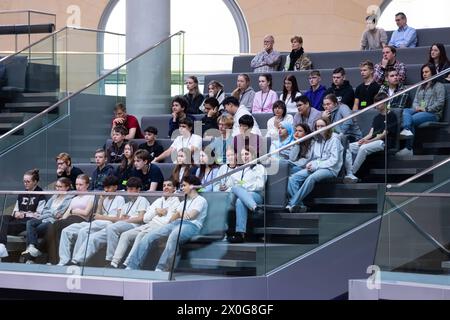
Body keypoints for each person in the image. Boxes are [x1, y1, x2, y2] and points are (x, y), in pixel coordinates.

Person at [126, 175, 208, 271]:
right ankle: (132, 265)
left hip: (192, 226)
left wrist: (179, 213)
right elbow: (173, 218)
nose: (182, 188)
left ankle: (161, 267)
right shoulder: (184, 201)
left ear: (192, 186)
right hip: (176, 223)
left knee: (174, 235)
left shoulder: (201, 200)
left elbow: (191, 216)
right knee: (149, 235)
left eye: (184, 185)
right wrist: (179, 215)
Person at [110, 180, 180, 268]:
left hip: (160, 227)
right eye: (164, 185)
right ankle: (114, 263)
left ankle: (128, 263)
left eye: (169, 185)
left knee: (141, 235)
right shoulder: (159, 200)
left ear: (174, 188)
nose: (166, 187)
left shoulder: (176, 202)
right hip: (149, 224)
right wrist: (156, 211)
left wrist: (158, 215)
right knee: (125, 235)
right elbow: (146, 218)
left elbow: (168, 221)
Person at [57, 175, 125, 266]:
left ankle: (75, 261)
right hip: (96, 222)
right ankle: (64, 260)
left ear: (115, 187)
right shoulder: (104, 198)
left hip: (108, 224)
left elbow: (118, 219)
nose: (106, 190)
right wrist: (100, 201)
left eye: (108, 187)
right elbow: (96, 215)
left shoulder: (120, 198)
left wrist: (101, 217)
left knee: (83, 231)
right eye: (105, 187)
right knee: (66, 231)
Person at [286, 118, 343, 213]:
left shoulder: (334, 138)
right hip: (318, 166)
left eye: (322, 126)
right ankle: (300, 206)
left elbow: (334, 160)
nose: (319, 128)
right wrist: (311, 164)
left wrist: (316, 165)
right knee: (292, 179)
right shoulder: (318, 139)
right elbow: (316, 158)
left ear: (328, 126)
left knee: (311, 178)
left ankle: (292, 203)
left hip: (330, 169)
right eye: (317, 126)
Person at [397, 63, 447, 157]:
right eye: (423, 72)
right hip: (418, 110)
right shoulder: (421, 86)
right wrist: (417, 108)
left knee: (409, 119)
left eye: (426, 72)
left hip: (432, 113)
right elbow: (415, 101)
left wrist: (425, 108)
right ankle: (407, 129)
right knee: (405, 111)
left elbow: (440, 103)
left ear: (432, 72)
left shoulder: (439, 85)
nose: (424, 74)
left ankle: (409, 148)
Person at [21, 177, 74, 263]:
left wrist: (50, 213)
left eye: (60, 187)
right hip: (44, 218)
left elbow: (60, 213)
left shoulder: (68, 199)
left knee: (31, 231)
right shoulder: (54, 196)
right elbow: (45, 209)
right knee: (30, 222)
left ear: (67, 187)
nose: (57, 189)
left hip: (52, 222)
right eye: (56, 186)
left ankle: (30, 256)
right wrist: (51, 213)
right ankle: (32, 247)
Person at [45, 174, 95, 264]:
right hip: (69, 219)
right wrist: (63, 218)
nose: (78, 187)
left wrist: (74, 211)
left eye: (81, 185)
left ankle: (40, 250)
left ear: (87, 185)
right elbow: (68, 212)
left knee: (54, 227)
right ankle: (55, 260)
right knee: (55, 228)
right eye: (76, 184)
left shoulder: (91, 196)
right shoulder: (74, 198)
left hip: (81, 220)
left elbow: (86, 213)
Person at [0, 169, 46, 259]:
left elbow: (39, 214)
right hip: (18, 218)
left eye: (28, 182)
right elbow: (15, 210)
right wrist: (16, 213)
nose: (25, 184)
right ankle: (2, 245)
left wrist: (24, 214)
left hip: (28, 221)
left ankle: (2, 245)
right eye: (24, 181)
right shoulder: (22, 193)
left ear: (35, 182)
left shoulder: (40, 194)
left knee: (4, 225)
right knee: (3, 218)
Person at [349, 93, 398, 176]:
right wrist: (363, 140)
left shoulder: (391, 116)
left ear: (385, 102)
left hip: (384, 142)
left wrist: (368, 142)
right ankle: (346, 170)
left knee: (363, 148)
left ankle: (352, 173)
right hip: (373, 141)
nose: (376, 105)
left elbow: (384, 134)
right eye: (375, 102)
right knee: (349, 147)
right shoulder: (377, 117)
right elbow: (371, 133)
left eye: (379, 102)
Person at [227, 146, 266, 243]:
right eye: (242, 155)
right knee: (237, 193)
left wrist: (244, 186)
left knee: (239, 194)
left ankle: (240, 233)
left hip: (256, 196)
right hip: (240, 197)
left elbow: (260, 186)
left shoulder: (259, 168)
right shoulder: (239, 169)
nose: (244, 156)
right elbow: (229, 185)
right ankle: (255, 208)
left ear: (252, 155)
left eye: (247, 154)